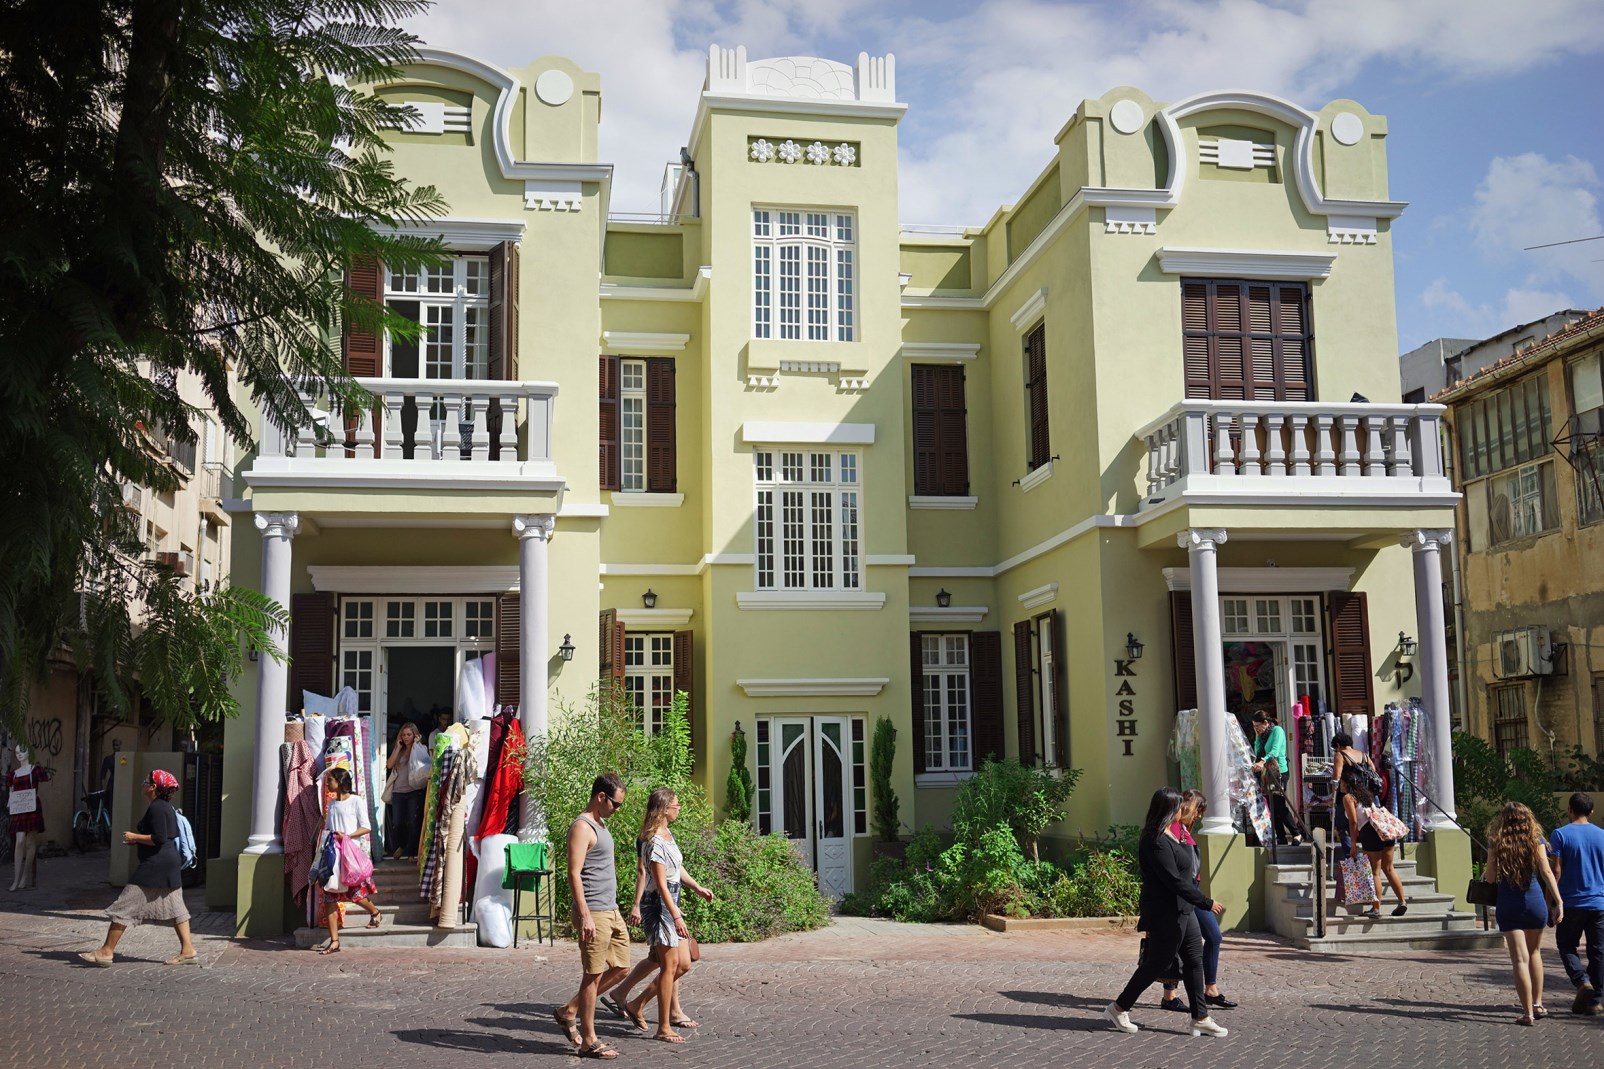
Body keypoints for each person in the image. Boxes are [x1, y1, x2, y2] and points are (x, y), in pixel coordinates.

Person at [1104, 787, 1230, 1039]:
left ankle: (1200, 1018)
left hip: (1184, 911)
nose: (1182, 810)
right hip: (1165, 913)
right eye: (1177, 807)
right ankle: (1118, 1008)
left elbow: (1187, 871)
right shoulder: (1155, 841)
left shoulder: (1174, 835)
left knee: (1194, 961)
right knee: (1156, 964)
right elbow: (1174, 881)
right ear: (1167, 810)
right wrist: (1205, 901)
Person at [620, 789, 714, 1043]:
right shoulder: (653, 840)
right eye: (676, 804)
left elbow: (676, 868)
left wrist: (696, 887)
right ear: (663, 809)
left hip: (672, 902)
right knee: (670, 965)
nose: (679, 808)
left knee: (683, 964)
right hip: (659, 906)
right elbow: (660, 882)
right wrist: (676, 916)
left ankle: (636, 1003)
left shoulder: (668, 835)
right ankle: (663, 1027)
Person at [78, 769, 198, 966]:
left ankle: (106, 952)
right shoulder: (166, 807)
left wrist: (135, 837)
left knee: (125, 904)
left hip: (156, 866)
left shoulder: (157, 808)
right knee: (176, 907)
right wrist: (139, 842)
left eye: (146, 781)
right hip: (168, 863)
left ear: (153, 787)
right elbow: (167, 836)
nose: (143, 783)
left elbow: (159, 839)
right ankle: (188, 950)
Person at [554, 773, 631, 1060]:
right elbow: (573, 873)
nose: (617, 810)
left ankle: (569, 1010)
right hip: (594, 911)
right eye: (616, 804)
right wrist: (585, 915)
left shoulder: (600, 824)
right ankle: (589, 1041)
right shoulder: (582, 827)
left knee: (622, 967)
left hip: (610, 909)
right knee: (593, 974)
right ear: (601, 797)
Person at [1158, 790, 1238, 1012]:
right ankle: (1169, 995)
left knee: (1214, 936)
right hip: (1183, 894)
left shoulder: (1183, 829)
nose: (1199, 817)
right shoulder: (1171, 829)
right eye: (1198, 811)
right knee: (1178, 941)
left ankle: (1210, 989)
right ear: (1190, 807)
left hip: (1193, 892)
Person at [1487, 801, 1563, 1025]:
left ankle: (1527, 1013)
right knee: (1535, 953)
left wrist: (1488, 869)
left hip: (1508, 902)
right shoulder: (1536, 840)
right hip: (1534, 900)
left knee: (1519, 960)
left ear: (1503, 821)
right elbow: (1546, 871)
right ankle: (1539, 1004)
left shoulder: (1496, 842)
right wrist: (1558, 901)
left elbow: (1490, 878)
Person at [1331, 730, 1406, 919]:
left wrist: (1354, 845)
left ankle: (1376, 909)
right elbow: (1373, 773)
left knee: (1375, 872)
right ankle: (1402, 901)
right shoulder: (1368, 794)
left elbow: (1354, 823)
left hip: (1370, 833)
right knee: (1390, 868)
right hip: (1384, 829)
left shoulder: (1348, 797)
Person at [314, 767, 381, 955]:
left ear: (340, 782)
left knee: (355, 894)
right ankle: (335, 941)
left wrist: (348, 836)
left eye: (330, 781)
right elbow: (327, 828)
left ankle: (375, 912)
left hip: (350, 856)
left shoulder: (356, 801)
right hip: (333, 856)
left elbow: (366, 827)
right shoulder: (332, 804)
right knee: (329, 897)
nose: (328, 784)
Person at [1549, 792, 1604, 1016]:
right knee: (1598, 951)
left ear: (1569, 809)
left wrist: (1551, 901)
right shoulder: (1602, 835)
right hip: (1599, 902)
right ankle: (1597, 1000)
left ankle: (1582, 981)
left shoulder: (1559, 835)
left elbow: (1556, 870)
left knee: (1566, 945)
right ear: (1591, 812)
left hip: (1571, 901)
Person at [1249, 711, 1302, 846]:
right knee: (1272, 806)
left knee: (1279, 804)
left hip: (1279, 772)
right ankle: (1281, 837)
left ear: (1266, 723)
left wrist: (1262, 761)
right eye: (1254, 726)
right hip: (1266, 773)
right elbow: (1257, 751)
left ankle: (1296, 833)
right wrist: (1257, 737)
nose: (1256, 729)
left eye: (1257, 726)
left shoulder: (1277, 731)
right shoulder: (1261, 735)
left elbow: (1275, 751)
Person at [9, 742, 51, 891]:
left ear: (28, 753)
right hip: (18, 809)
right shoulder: (13, 774)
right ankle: (16, 879)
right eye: (17, 752)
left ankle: (25, 878)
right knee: (19, 840)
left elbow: (47, 777)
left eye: (22, 751)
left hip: (32, 807)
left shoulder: (35, 770)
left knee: (30, 842)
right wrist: (10, 803)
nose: (19, 754)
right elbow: (11, 790)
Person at [385, 721, 429, 859]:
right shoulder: (399, 749)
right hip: (398, 790)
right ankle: (401, 846)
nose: (406, 737)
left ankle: (411, 852)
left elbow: (425, 764)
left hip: (414, 790)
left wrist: (416, 744)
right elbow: (389, 765)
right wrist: (397, 748)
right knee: (397, 822)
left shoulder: (421, 748)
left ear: (415, 735)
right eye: (403, 735)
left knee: (413, 822)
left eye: (409, 734)